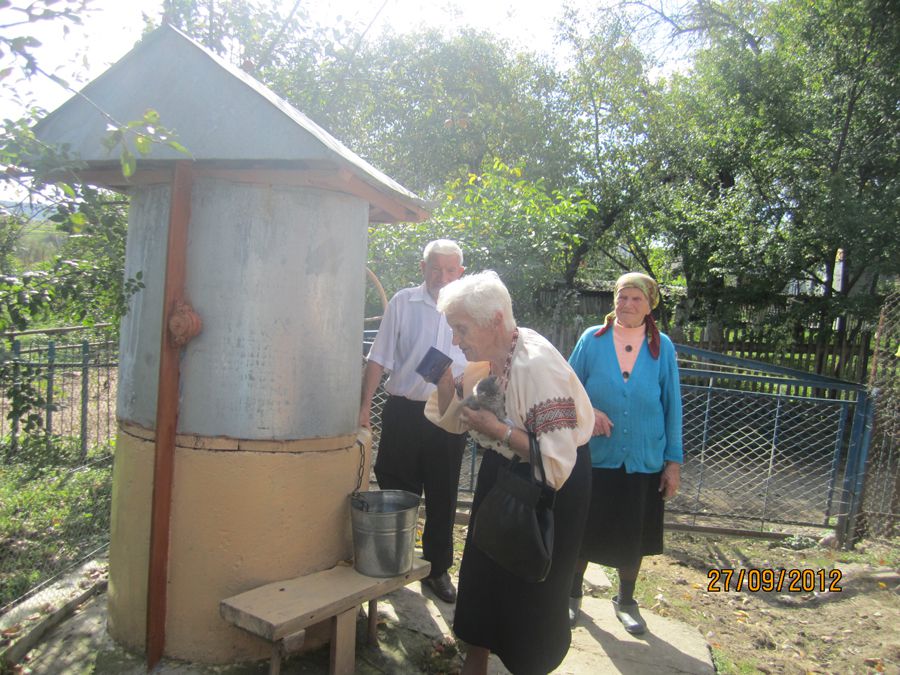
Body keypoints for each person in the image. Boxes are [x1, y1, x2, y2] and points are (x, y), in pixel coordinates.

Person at [425, 270, 594, 675]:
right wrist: (452, 389)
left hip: (552, 489)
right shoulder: (492, 356)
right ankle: (476, 662)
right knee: (483, 574)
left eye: (461, 329)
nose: (455, 340)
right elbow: (456, 417)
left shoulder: (537, 365)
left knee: (529, 585)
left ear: (496, 320)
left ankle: (528, 665)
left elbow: (556, 460)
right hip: (503, 471)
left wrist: (498, 430)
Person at [567, 272, 683, 634]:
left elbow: (672, 405)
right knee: (584, 530)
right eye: (622, 298)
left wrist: (673, 463)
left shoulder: (662, 346)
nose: (628, 305)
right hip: (597, 456)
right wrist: (591, 413)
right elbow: (567, 388)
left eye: (637, 299)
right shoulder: (592, 339)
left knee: (633, 536)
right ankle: (571, 597)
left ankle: (627, 600)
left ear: (650, 306)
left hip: (643, 459)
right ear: (613, 301)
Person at [358, 239, 468, 604]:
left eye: (450, 269)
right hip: (404, 411)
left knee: (444, 493)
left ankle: (437, 570)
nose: (442, 276)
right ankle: (393, 563)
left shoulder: (470, 308)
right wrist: (363, 410)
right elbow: (379, 358)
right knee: (396, 488)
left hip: (448, 412)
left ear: (461, 273)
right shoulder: (404, 303)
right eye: (435, 268)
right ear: (423, 268)